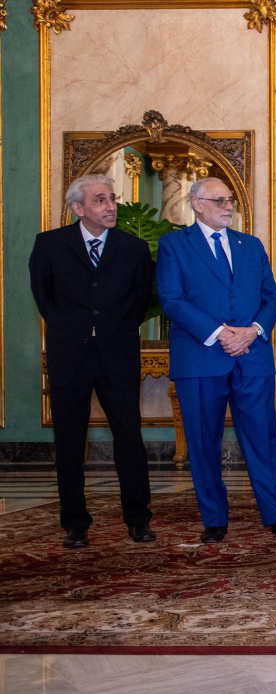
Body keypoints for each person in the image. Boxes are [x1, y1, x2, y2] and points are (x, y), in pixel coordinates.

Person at [157, 178, 276, 543]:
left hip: (252, 357)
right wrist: (222, 333)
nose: (228, 206)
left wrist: (252, 331)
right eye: (219, 200)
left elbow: (271, 296)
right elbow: (172, 300)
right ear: (197, 204)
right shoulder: (174, 245)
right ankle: (214, 518)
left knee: (263, 438)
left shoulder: (250, 245)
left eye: (231, 200)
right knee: (202, 440)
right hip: (200, 358)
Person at [29, 174, 154, 549]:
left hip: (117, 353)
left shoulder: (133, 248)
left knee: (129, 437)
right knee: (69, 439)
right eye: (100, 200)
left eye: (112, 198)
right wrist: (75, 327)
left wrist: (110, 329)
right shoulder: (50, 245)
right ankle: (75, 523)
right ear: (78, 208)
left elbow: (139, 300)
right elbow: (44, 297)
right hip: (70, 354)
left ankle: (138, 519)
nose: (111, 206)